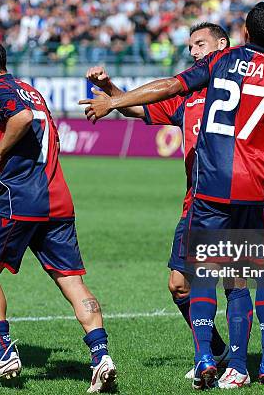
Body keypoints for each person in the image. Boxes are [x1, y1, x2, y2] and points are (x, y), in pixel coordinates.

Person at [79, 2, 264, 390]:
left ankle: (215, 359)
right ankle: (255, 361)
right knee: (256, 275)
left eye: (198, 44)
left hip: (212, 188)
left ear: (240, 35)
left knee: (213, 275)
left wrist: (114, 100)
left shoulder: (219, 64)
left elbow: (169, 85)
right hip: (258, 188)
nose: (193, 51)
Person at [0, 35, 117, 393]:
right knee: (72, 281)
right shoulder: (30, 88)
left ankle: (2, 352)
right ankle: (102, 357)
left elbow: (21, 118)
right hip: (58, 199)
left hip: (21, 199)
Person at [85, 22, 232, 380]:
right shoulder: (190, 95)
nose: (194, 51)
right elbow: (139, 110)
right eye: (191, 46)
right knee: (179, 284)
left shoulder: (239, 89)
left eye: (200, 43)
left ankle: (232, 362)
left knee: (230, 283)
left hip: (236, 200)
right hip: (196, 201)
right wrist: (110, 90)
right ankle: (214, 350)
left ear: (222, 44)